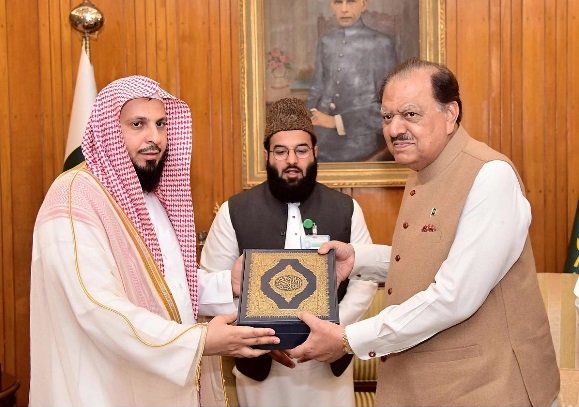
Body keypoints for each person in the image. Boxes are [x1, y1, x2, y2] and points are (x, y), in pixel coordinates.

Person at [289, 58, 561, 406]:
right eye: (387, 117)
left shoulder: (490, 175)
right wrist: (359, 259)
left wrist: (348, 338)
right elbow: (432, 256)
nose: (394, 128)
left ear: (450, 114)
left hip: (487, 388)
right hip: (427, 385)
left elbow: (454, 295)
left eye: (410, 114)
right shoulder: (423, 170)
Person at [29, 75, 280, 407]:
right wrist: (200, 340)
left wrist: (229, 285)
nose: (155, 138)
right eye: (138, 124)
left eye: (161, 124)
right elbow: (96, 306)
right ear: (108, 130)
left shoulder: (153, 198)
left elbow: (164, 287)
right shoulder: (75, 196)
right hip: (105, 388)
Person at [199, 97, 389, 407]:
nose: (291, 160)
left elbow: (364, 279)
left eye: (301, 150)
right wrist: (257, 332)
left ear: (315, 152)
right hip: (261, 363)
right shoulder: (233, 212)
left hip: (328, 366)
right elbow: (213, 282)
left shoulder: (346, 209)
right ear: (267, 155)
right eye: (281, 151)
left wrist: (331, 330)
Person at [307, 0, 398, 162]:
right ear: (331, 6)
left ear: (363, 5)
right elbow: (316, 89)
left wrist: (335, 122)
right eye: (338, 2)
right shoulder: (326, 42)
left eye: (351, 2)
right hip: (320, 136)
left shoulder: (381, 44)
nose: (344, 9)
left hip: (360, 138)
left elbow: (389, 105)